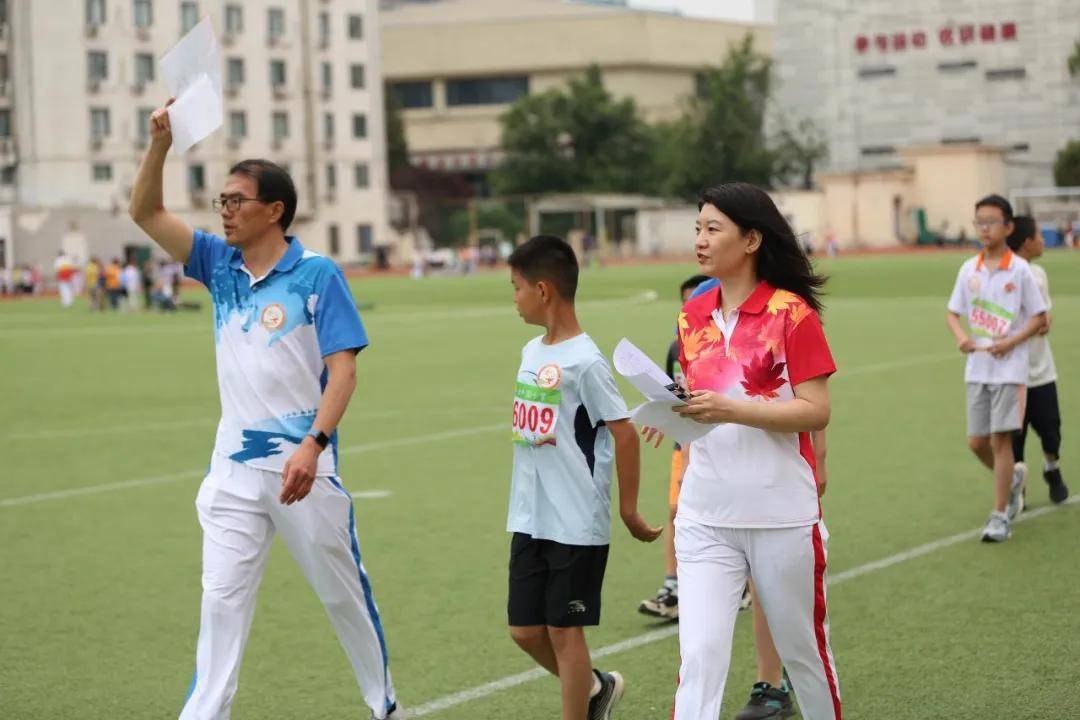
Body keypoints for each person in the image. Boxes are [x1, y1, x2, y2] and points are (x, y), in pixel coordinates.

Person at [129, 99, 401, 720]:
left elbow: (344, 369)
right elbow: (145, 211)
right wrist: (160, 145)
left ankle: (384, 707)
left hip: (302, 471)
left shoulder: (315, 275)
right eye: (220, 202)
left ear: (274, 210)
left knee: (344, 600)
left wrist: (314, 444)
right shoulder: (217, 265)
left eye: (235, 201)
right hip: (231, 475)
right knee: (220, 606)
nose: (223, 211)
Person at [661, 182, 841, 720]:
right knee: (698, 658)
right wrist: (669, 410)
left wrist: (730, 410)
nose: (700, 239)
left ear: (752, 239)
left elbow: (815, 410)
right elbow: (705, 400)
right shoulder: (692, 315)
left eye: (713, 228)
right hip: (704, 514)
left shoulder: (793, 314)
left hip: (780, 515)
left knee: (804, 657)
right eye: (698, 227)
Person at [506, 235, 662, 720]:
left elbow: (625, 434)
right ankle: (597, 688)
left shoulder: (587, 361)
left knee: (563, 631)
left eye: (516, 287)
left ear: (543, 290)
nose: (513, 298)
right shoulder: (532, 350)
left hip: (575, 518)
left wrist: (629, 510)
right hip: (530, 515)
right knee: (525, 631)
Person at [947, 195, 1047, 542]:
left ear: (1008, 227)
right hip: (978, 368)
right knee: (977, 443)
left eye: (992, 221)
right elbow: (952, 313)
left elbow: (1040, 318)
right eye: (980, 222)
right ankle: (1014, 478)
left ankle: (1000, 514)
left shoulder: (1019, 270)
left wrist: (1012, 342)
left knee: (1000, 440)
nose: (985, 228)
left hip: (1009, 369)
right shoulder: (968, 269)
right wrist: (961, 337)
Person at [638, 273, 711, 621]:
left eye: (695, 301)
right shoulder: (676, 347)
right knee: (676, 511)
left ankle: (736, 584)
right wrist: (660, 413)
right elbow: (675, 394)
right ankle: (673, 586)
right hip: (685, 443)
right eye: (684, 302)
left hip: (719, 442)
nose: (688, 308)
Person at [1006, 216, 1067, 504]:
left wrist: (1030, 326)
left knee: (1051, 430)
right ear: (1027, 242)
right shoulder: (1002, 276)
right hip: (1010, 374)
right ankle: (1018, 488)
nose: (1043, 240)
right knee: (1014, 437)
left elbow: (1045, 321)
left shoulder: (1038, 274)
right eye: (1040, 235)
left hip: (1042, 371)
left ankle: (1051, 468)